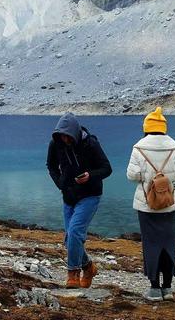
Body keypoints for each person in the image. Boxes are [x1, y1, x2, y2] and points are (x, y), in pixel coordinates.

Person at [127, 107, 175, 302]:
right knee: (168, 243)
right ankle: (168, 288)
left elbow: (132, 176)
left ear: (147, 127)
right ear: (163, 128)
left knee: (150, 244)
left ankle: (154, 289)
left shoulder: (139, 148)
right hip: (168, 204)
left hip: (147, 205)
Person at [47, 112, 112, 289]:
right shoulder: (56, 144)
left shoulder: (90, 143)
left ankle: (73, 273)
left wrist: (90, 176)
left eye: (68, 137)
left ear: (74, 134)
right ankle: (88, 267)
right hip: (68, 196)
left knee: (75, 232)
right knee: (70, 240)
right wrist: (60, 183)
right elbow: (51, 167)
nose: (65, 140)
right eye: (62, 136)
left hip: (90, 195)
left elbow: (107, 168)